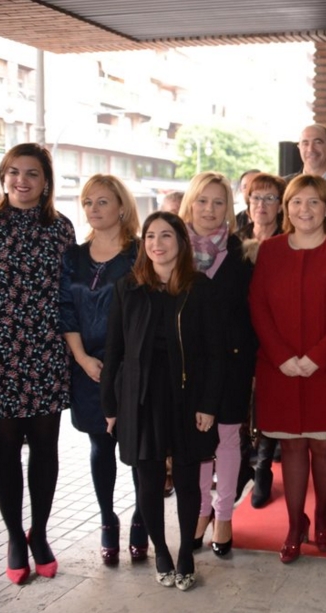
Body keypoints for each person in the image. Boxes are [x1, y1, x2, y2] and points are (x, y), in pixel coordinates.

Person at [100, 211, 224, 591]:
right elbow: (115, 351)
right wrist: (111, 407)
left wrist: (208, 404)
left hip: (187, 396)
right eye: (150, 236)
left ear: (181, 243)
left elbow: (215, 353)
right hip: (140, 397)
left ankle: (186, 551)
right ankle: (162, 552)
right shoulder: (128, 288)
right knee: (148, 482)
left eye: (166, 235)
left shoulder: (200, 287)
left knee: (188, 480)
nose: (157, 244)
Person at [249, 175, 326, 564]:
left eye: (313, 203)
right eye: (296, 202)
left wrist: (318, 356)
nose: (304, 210)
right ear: (285, 208)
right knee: (291, 446)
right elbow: (258, 306)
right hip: (280, 369)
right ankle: (296, 524)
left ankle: (324, 513)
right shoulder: (271, 250)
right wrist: (281, 356)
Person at [59, 174, 148, 565]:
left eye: (103, 202)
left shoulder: (140, 254)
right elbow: (65, 309)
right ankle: (108, 520)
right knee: (101, 445)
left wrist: (122, 366)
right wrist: (80, 358)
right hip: (87, 367)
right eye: (88, 203)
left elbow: (148, 313)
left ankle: (142, 520)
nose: (94, 210)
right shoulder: (73, 256)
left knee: (139, 448)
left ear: (122, 207)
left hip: (132, 368)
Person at [0, 143, 76, 585]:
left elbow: (72, 294)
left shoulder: (61, 229)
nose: (21, 181)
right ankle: (13, 536)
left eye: (32, 173)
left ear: (46, 181)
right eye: (13, 172)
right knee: (5, 453)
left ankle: (41, 533)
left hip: (47, 352)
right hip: (3, 358)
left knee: (45, 450)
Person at [178, 172, 257, 558]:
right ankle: (199, 512)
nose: (210, 210)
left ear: (230, 207)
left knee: (227, 439)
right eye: (203, 201)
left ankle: (224, 516)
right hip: (187, 365)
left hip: (233, 361)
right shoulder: (173, 249)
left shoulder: (243, 252)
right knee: (196, 442)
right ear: (190, 203)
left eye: (219, 202)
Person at [235, 172, 287, 510]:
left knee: (268, 403)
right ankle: (243, 465)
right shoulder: (233, 242)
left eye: (270, 199)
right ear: (248, 203)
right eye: (257, 198)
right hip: (239, 335)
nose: (263, 205)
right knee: (240, 405)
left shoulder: (287, 242)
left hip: (275, 334)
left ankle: (264, 466)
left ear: (280, 205)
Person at [236, 173, 287, 243]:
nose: (261, 204)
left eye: (269, 198)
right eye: (256, 197)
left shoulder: (289, 241)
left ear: (280, 207)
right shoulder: (235, 240)